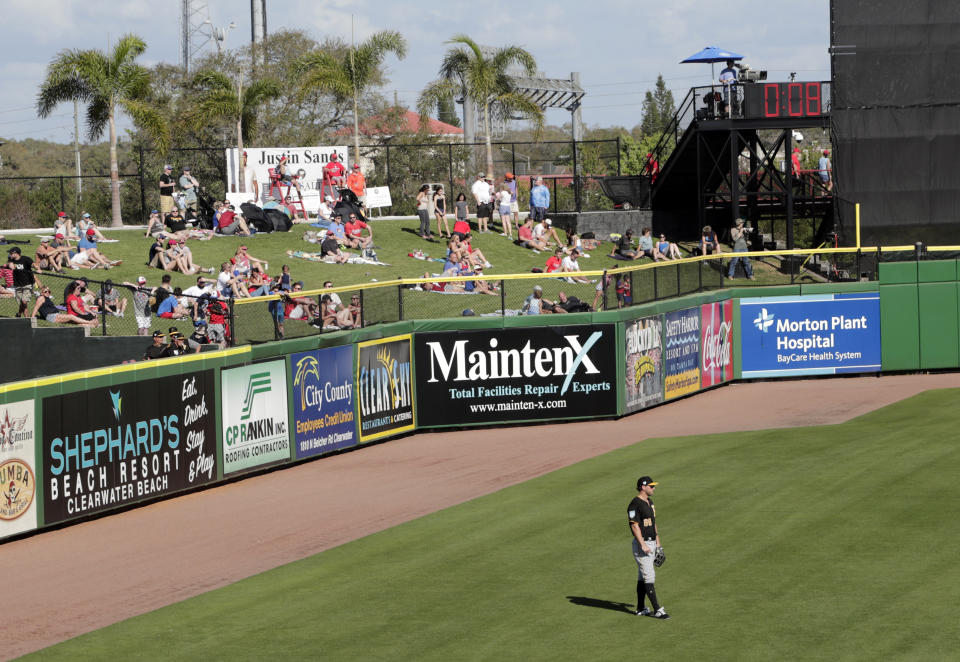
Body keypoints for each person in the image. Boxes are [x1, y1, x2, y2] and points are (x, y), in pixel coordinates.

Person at [629, 476, 668, 619]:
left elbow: (653, 523)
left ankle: (640, 608)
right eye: (651, 486)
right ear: (642, 487)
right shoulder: (634, 504)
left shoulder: (650, 502)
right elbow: (634, 526)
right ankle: (657, 609)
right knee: (649, 576)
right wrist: (643, 544)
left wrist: (658, 544)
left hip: (651, 542)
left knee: (642, 577)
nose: (653, 488)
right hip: (642, 545)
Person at [31, 284, 97, 327]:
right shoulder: (41, 298)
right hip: (52, 316)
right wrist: (32, 319)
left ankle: (90, 325)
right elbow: (36, 308)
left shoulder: (46, 299)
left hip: (54, 315)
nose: (48, 292)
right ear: (41, 293)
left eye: (49, 291)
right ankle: (89, 322)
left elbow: (43, 309)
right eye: (46, 291)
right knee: (71, 317)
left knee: (73, 321)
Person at [7, 246, 38, 317]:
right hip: (18, 284)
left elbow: (33, 264)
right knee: (22, 303)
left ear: (16, 253)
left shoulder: (26, 259)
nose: (10, 254)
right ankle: (19, 314)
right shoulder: (11, 260)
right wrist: (10, 264)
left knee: (24, 301)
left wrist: (37, 268)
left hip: (28, 283)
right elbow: (10, 264)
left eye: (11, 253)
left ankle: (26, 319)